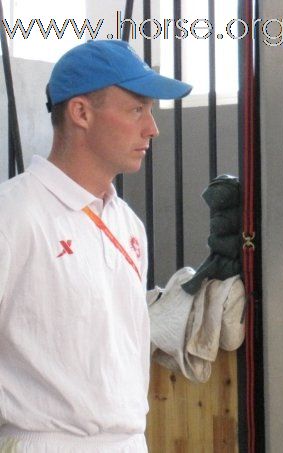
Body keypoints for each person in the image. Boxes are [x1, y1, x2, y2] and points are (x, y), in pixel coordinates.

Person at [0, 40, 191, 452]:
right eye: (136, 109)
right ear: (81, 112)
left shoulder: (128, 224)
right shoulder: (12, 215)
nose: (152, 128)